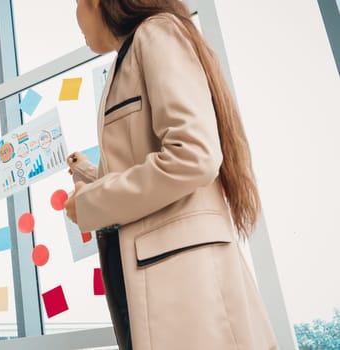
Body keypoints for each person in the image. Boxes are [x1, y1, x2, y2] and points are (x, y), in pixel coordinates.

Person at [64, 1, 278, 349]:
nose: (75, 17)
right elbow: (140, 166)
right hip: (152, 279)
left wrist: (89, 204)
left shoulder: (157, 33)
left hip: (186, 284)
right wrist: (87, 176)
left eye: (75, 3)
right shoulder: (126, 57)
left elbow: (193, 154)